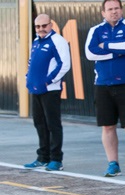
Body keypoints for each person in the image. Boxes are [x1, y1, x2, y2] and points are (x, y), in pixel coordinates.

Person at [85, 0, 125, 177]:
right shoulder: (95, 30)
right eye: (110, 9)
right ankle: (113, 164)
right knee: (107, 127)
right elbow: (90, 53)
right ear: (103, 12)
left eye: (117, 8)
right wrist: (116, 52)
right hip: (102, 85)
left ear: (122, 10)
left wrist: (106, 46)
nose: (114, 12)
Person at [24, 13, 71, 171]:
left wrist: (49, 81)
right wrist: (28, 78)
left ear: (51, 25)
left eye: (44, 26)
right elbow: (31, 62)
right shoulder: (36, 41)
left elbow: (64, 64)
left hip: (50, 90)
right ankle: (43, 157)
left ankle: (56, 159)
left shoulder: (58, 41)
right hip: (35, 89)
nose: (41, 29)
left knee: (53, 125)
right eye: (38, 26)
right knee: (39, 124)